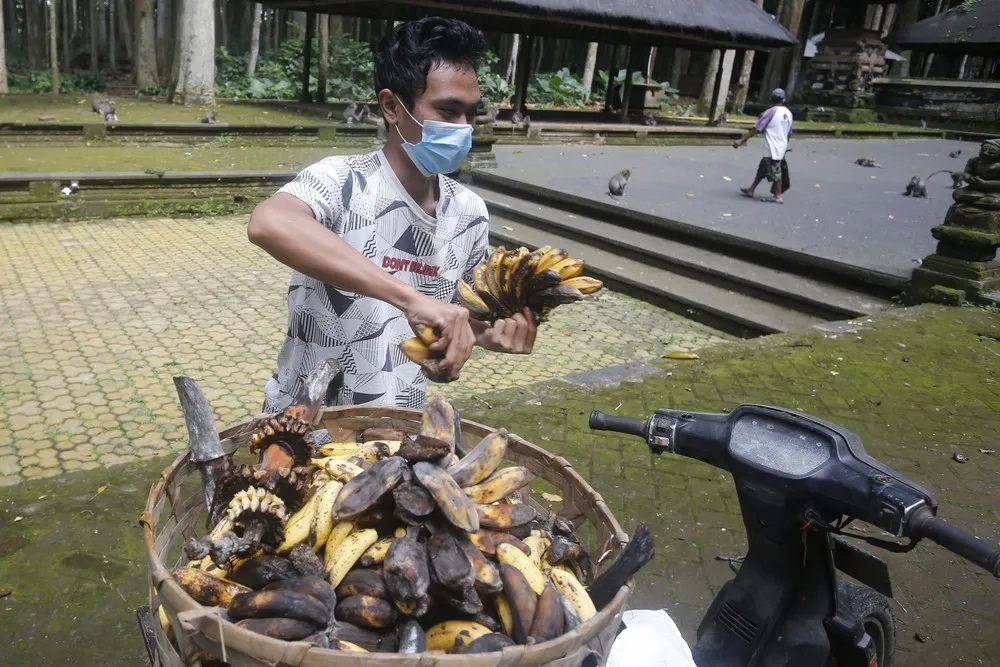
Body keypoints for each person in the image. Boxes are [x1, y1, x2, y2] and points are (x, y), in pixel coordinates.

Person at [248, 17, 537, 412]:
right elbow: (269, 223)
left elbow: (458, 320)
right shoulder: (340, 180)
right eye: (448, 111)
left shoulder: (470, 213)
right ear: (391, 107)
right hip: (302, 427)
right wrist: (411, 299)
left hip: (398, 429)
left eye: (471, 113)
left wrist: (487, 337)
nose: (464, 128)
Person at [732, 88, 794, 203]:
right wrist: (784, 146)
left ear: (771, 99)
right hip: (781, 145)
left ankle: (778, 196)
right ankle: (751, 189)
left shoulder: (771, 112)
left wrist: (741, 140)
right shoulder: (789, 113)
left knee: (775, 171)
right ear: (783, 100)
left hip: (772, 146)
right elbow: (789, 132)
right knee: (763, 168)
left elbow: (757, 128)